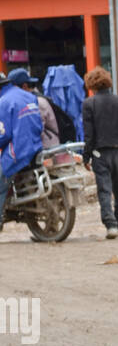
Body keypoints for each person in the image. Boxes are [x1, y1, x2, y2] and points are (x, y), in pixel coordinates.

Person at [81, 67, 118, 239]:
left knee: (104, 189)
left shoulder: (89, 104)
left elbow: (89, 135)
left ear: (91, 84)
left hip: (99, 153)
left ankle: (110, 225)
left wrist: (86, 156)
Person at [0, 70, 44, 230]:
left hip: (18, 150)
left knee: (0, 180)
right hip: (35, 146)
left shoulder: (3, 102)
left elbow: (3, 134)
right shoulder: (29, 96)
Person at [6, 68, 59, 149]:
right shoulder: (27, 100)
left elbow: (35, 129)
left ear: (24, 86)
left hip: (47, 149)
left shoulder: (36, 102)